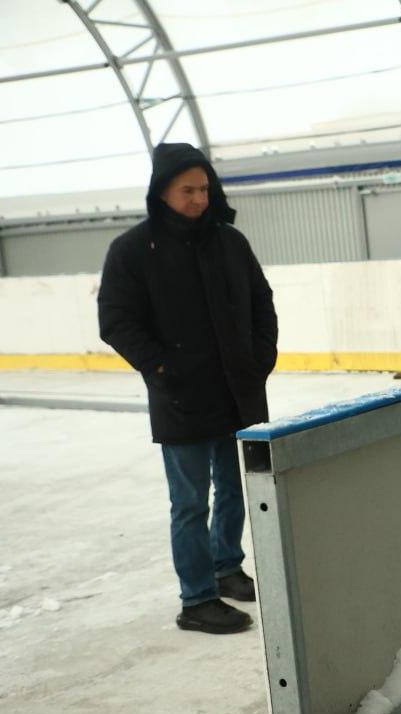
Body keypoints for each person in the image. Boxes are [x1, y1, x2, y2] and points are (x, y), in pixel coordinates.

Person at [98, 142, 278, 635]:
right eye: (188, 190)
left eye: (205, 188)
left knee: (235, 489)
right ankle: (196, 599)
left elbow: (262, 301)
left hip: (238, 391)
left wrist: (261, 358)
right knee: (191, 501)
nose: (200, 198)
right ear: (162, 193)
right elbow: (115, 321)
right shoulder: (133, 250)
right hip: (181, 396)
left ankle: (226, 567)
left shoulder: (229, 242)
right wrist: (160, 369)